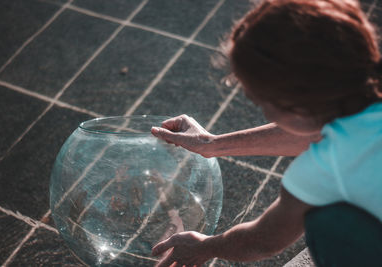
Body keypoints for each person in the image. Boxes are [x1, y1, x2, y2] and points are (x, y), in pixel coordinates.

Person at [149, 0, 382, 266]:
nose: (267, 116)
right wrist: (211, 144)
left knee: (327, 223)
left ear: (296, 104)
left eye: (262, 103)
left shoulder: (325, 168)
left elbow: (262, 241)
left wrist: (205, 246)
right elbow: (321, 129)